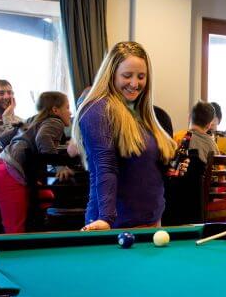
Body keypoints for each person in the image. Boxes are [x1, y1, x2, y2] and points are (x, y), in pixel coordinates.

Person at [72, 41, 186, 231]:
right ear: (111, 74)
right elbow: (104, 166)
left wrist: (169, 165)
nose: (135, 83)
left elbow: (143, 164)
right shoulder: (97, 109)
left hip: (152, 220)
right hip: (114, 225)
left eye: (141, 76)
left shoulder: (142, 111)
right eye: (127, 75)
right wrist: (106, 219)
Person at [0, 92, 72, 233]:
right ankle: (19, 250)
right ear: (55, 110)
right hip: (9, 175)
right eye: (67, 107)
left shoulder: (32, 120)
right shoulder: (55, 121)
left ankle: (38, 229)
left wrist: (18, 131)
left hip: (0, 168)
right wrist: (59, 165)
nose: (70, 112)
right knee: (15, 228)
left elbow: (3, 139)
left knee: (46, 195)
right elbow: (43, 138)